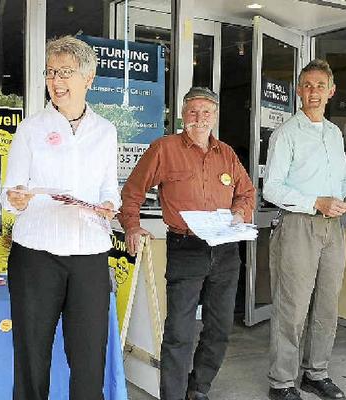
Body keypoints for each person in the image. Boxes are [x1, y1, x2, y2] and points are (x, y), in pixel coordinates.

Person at [119, 87, 256, 400]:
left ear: (215, 116)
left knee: (219, 328)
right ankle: (174, 395)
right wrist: (132, 225)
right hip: (186, 248)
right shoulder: (164, 148)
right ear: (183, 115)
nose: (200, 118)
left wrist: (239, 211)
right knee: (179, 333)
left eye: (206, 112)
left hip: (225, 249)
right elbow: (133, 191)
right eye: (193, 111)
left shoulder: (227, 154)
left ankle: (199, 388)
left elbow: (246, 193)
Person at [2, 35, 119, 400]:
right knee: (31, 357)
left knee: (88, 360)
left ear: (89, 77)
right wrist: (16, 199)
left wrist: (108, 205)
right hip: (36, 255)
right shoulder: (31, 128)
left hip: (89, 256)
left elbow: (108, 188)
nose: (56, 80)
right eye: (51, 72)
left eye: (65, 72)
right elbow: (10, 193)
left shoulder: (106, 131)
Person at [263, 59, 346, 400]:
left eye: (320, 86)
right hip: (299, 226)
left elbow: (339, 178)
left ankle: (315, 373)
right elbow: (271, 188)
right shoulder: (286, 134)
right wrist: (316, 202)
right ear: (298, 92)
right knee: (292, 308)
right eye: (307, 85)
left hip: (333, 228)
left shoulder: (334, 134)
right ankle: (282, 383)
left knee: (326, 305)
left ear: (331, 91)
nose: (314, 92)